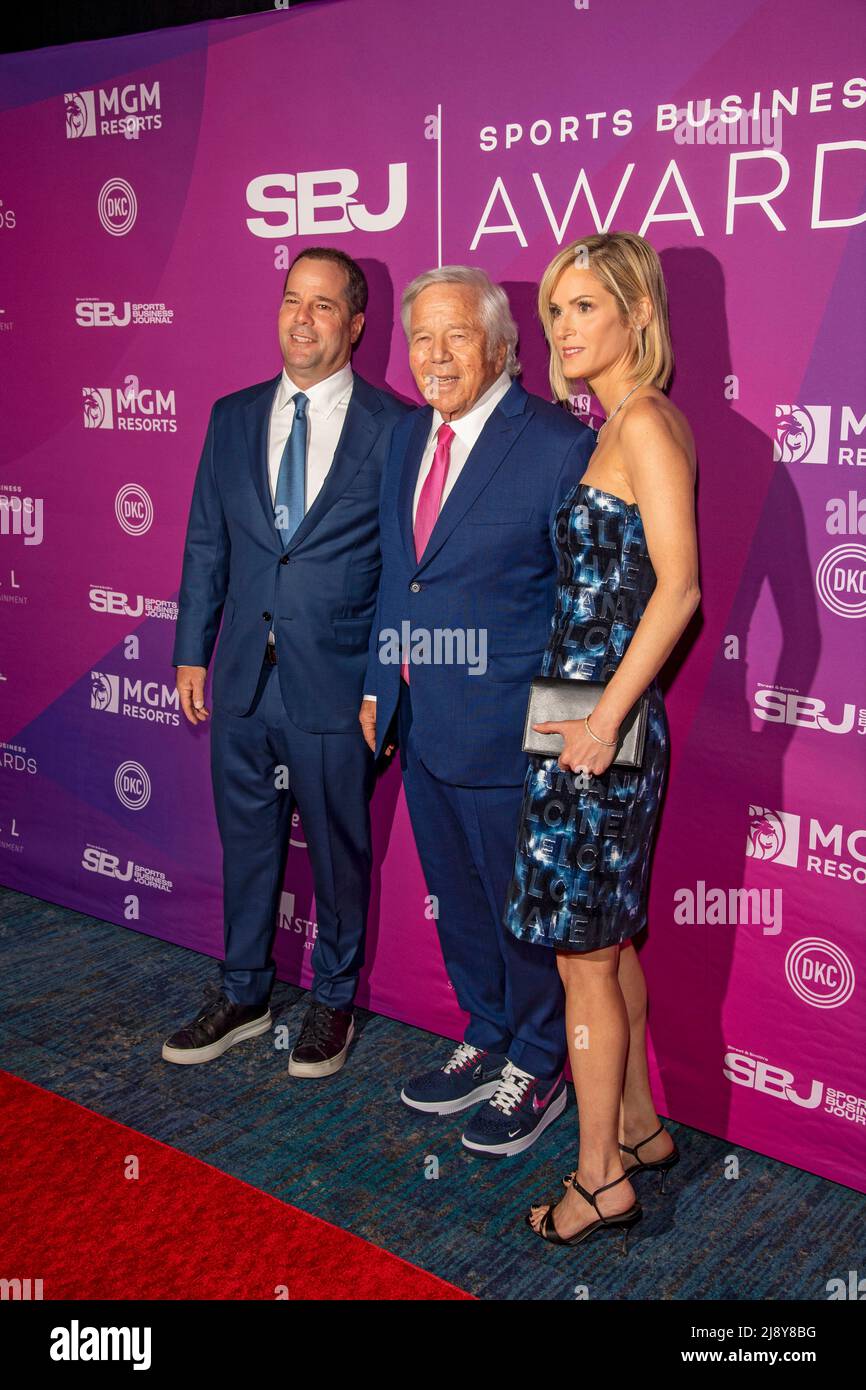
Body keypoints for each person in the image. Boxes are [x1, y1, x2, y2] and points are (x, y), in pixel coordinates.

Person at [360, 265, 595, 1156]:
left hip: (515, 738)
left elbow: (584, 610)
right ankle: (487, 1031)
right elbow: (400, 578)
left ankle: (538, 1061)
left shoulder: (554, 446)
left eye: (457, 334)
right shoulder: (406, 439)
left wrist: (561, 740)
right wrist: (382, 686)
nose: (436, 354)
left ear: (503, 344)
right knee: (459, 901)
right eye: (422, 337)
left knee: (520, 910)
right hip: (423, 729)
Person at [165, 248, 410, 1077]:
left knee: (340, 854)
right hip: (240, 679)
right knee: (248, 845)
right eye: (290, 301)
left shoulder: (395, 428)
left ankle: (332, 1001)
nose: (302, 320)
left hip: (337, 687)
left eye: (323, 306)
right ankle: (244, 991)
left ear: (356, 323)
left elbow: (402, 573)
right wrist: (192, 649)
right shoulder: (231, 415)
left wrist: (383, 682)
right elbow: (207, 540)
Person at [502, 232, 700, 1249]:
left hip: (597, 721)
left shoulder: (648, 426)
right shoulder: (615, 426)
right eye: (554, 312)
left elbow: (679, 589)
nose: (563, 329)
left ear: (636, 314)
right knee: (601, 940)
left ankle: (597, 1181)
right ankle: (632, 1124)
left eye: (583, 307)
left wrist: (605, 718)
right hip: (570, 712)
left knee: (583, 957)